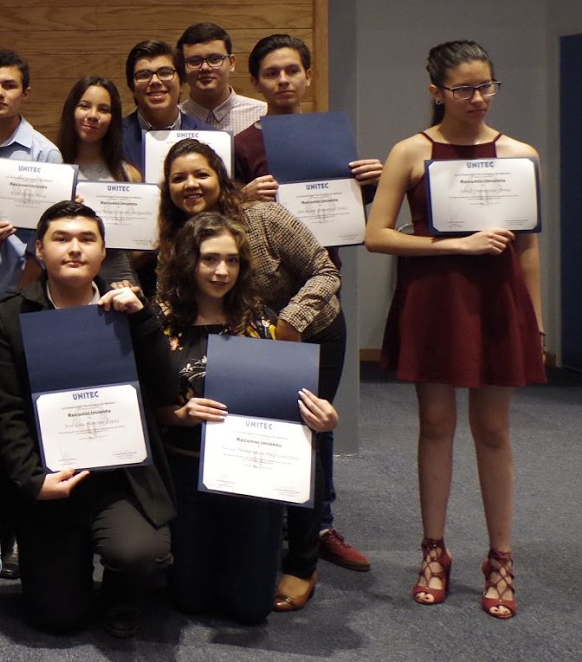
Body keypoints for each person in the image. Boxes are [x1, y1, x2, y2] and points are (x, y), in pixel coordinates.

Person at [365, 40, 544, 620]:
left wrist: (534, 324)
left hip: (499, 302)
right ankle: (434, 551)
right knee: (435, 425)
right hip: (434, 301)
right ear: (435, 91)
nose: (477, 98)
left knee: (493, 432)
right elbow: (377, 236)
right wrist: (454, 243)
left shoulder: (520, 153)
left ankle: (500, 557)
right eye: (464, 88)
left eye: (487, 86)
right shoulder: (409, 152)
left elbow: (529, 247)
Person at [156, 138, 342, 610]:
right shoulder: (177, 237)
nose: (190, 184)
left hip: (299, 332)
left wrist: (289, 323)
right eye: (178, 177)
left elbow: (325, 269)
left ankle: (302, 563)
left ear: (221, 176)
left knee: (302, 435)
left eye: (200, 173)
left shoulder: (263, 217)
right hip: (229, 337)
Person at [0, 201, 171, 638]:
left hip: (121, 475)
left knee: (141, 554)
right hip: (53, 479)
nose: (74, 249)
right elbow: (6, 409)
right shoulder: (10, 317)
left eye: (87, 240)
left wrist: (142, 319)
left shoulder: (129, 310)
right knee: (57, 618)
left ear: (103, 253)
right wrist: (33, 481)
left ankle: (122, 592)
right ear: (38, 250)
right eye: (61, 239)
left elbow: (163, 392)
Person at [232, 32, 380, 574]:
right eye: (271, 73)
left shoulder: (332, 137)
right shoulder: (245, 144)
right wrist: (242, 197)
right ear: (256, 83)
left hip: (319, 299)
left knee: (319, 420)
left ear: (308, 75)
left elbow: (347, 215)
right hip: (264, 310)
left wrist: (369, 185)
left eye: (292, 70)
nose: (283, 81)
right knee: (272, 418)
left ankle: (319, 526)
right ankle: (276, 529)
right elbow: (232, 222)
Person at [0, 50, 61, 308]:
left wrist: (20, 296)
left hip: (21, 296)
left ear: (25, 93)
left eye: (9, 85)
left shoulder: (44, 153)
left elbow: (50, 238)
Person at [52, 74, 141, 289]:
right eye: (84, 106)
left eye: (103, 109)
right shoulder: (53, 168)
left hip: (117, 280)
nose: (93, 115)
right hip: (61, 280)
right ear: (71, 111)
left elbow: (140, 247)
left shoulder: (129, 175)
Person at [120, 40, 212, 178]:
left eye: (165, 72)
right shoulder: (112, 137)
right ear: (131, 88)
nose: (155, 81)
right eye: (144, 75)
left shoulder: (209, 137)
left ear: (181, 83)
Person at [177, 21, 267, 136]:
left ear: (232, 63)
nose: (205, 68)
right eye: (194, 61)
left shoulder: (263, 115)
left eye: (215, 59)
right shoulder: (172, 119)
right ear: (181, 66)